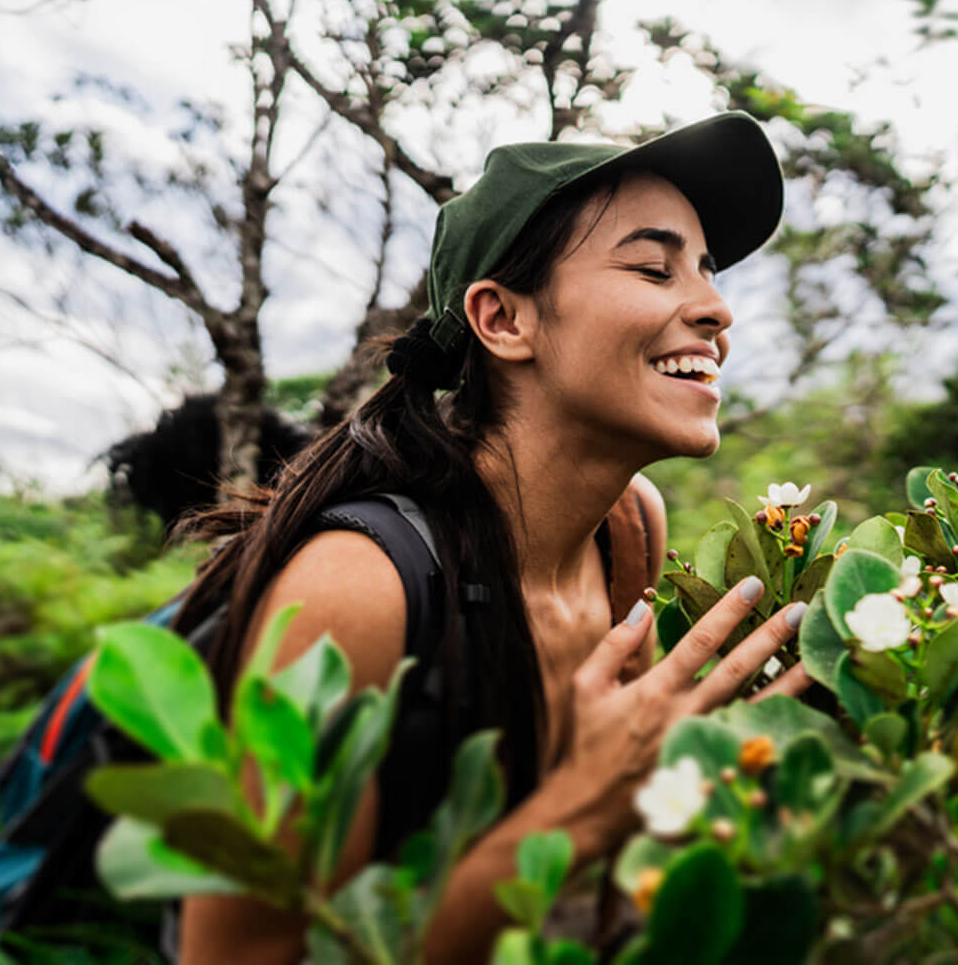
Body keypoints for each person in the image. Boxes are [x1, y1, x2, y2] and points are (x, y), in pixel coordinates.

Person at [169, 112, 811, 962]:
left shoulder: (627, 530)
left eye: (707, 271)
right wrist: (579, 811)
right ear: (504, 320)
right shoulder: (355, 594)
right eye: (655, 268)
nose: (716, 309)